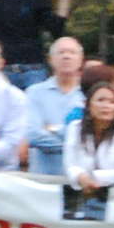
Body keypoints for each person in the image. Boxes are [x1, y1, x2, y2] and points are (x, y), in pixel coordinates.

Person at [61, 82, 114, 220]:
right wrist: (81, 177)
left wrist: (95, 178)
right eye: (100, 100)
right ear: (89, 104)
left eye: (112, 102)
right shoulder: (75, 128)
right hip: (77, 192)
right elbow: (69, 163)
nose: (106, 106)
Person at [21, 36, 87, 177]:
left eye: (72, 52)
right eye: (61, 52)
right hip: (43, 176)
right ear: (50, 59)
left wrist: (51, 128)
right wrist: (74, 145)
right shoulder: (34, 92)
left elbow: (89, 138)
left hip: (81, 176)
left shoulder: (89, 94)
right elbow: (32, 135)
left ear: (81, 60)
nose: (66, 56)